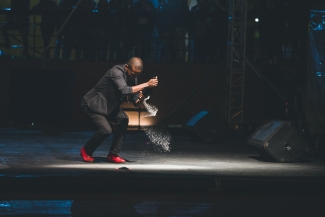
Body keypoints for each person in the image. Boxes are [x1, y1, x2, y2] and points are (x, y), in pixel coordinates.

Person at [80, 57, 158, 163]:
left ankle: (113, 154)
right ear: (126, 67)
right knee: (105, 130)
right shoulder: (116, 71)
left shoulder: (132, 78)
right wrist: (146, 84)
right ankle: (86, 151)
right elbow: (124, 90)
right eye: (132, 73)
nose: (134, 76)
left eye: (137, 75)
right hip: (93, 105)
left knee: (123, 119)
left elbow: (136, 103)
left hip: (109, 107)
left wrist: (144, 94)